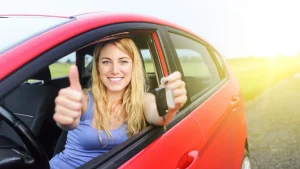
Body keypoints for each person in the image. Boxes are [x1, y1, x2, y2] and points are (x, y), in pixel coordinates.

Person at [49, 38, 187, 168]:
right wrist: (66, 120)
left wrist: (171, 106)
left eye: (123, 61)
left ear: (134, 66)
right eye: (106, 62)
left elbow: (158, 116)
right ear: (97, 67)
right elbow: (69, 120)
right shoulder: (84, 98)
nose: (114, 70)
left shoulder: (144, 99)